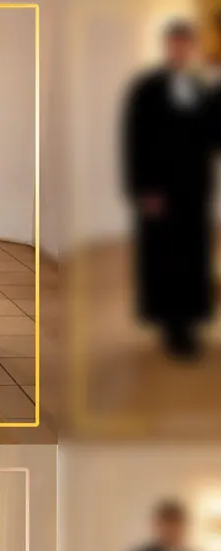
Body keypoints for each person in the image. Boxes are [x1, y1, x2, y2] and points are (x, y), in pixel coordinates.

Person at [122, 20, 219, 359]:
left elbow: (213, 136)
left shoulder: (201, 88)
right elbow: (134, 141)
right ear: (168, 47)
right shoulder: (146, 89)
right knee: (164, 257)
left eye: (185, 45)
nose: (180, 50)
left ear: (190, 48)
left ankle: (189, 321)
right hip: (158, 191)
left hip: (194, 189)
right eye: (175, 44)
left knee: (193, 256)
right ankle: (170, 324)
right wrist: (142, 189)